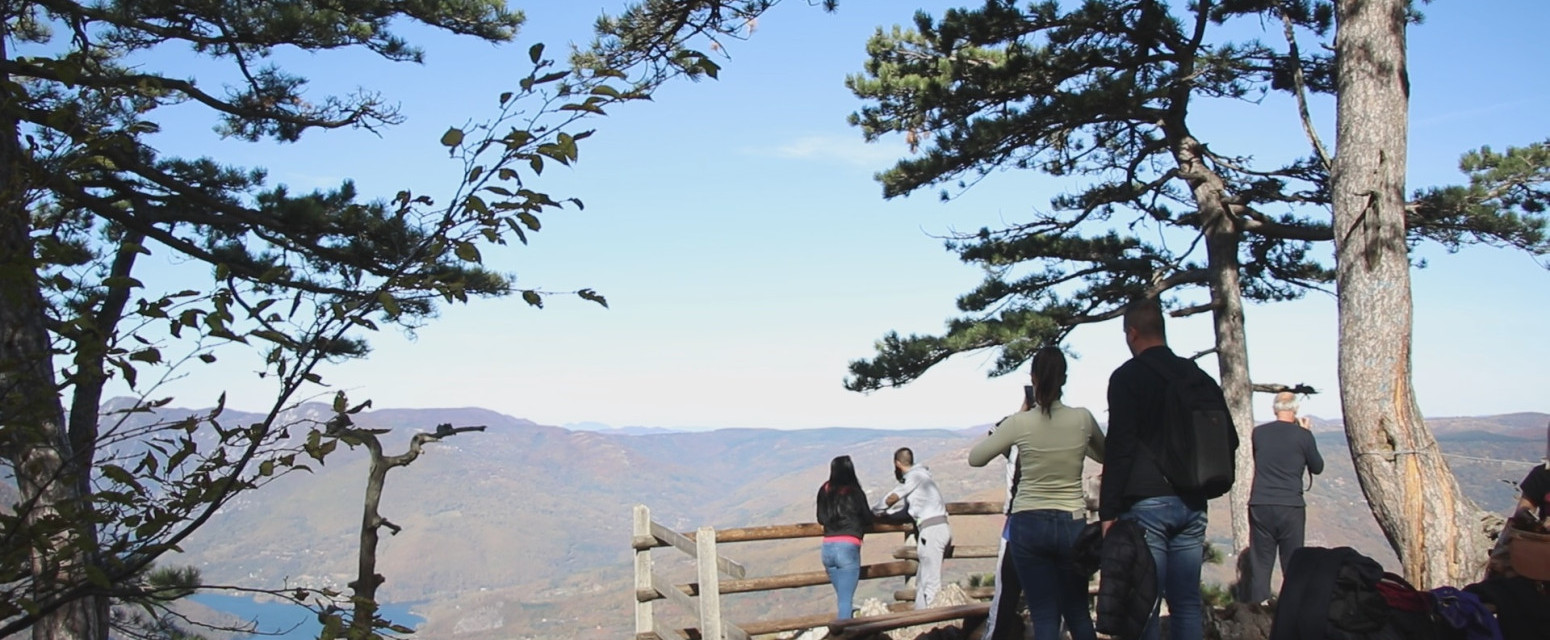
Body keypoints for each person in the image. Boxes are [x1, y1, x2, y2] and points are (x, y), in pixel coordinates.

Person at [970, 347, 1106, 640]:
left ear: (1033, 378)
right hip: (1071, 521)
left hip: (1027, 523)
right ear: (1064, 379)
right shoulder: (1082, 419)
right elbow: (1106, 454)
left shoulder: (1021, 423)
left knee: (1044, 615)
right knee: (1078, 614)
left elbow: (976, 457)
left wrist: (1014, 422)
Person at [1101, 299, 1217, 640]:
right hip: (1193, 500)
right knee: (1186, 602)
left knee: (1145, 602)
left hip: (1146, 503)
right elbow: (1229, 439)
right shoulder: (1198, 376)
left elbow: (1119, 448)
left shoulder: (1127, 378)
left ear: (1132, 332)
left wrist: (1108, 512)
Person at [1245, 391, 1324, 604]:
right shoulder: (1303, 436)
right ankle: (1292, 611)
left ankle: (1257, 611)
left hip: (1260, 502)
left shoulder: (1258, 433)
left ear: (1274, 409)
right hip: (1290, 505)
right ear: (1296, 410)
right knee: (1293, 563)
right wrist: (1306, 433)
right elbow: (1317, 467)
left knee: (1261, 564)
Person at [876, 447, 952, 609]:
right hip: (938, 528)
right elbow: (908, 511)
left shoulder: (913, 477)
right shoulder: (923, 477)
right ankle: (921, 619)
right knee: (923, 580)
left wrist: (875, 512)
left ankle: (935, 624)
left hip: (931, 531)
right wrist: (890, 516)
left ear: (897, 463)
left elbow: (892, 497)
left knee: (931, 583)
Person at [816, 455, 873, 619]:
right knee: (845, 601)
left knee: (843, 597)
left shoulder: (824, 489)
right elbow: (867, 518)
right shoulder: (855, 492)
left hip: (827, 548)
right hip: (848, 548)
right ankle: (845, 632)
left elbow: (820, 518)